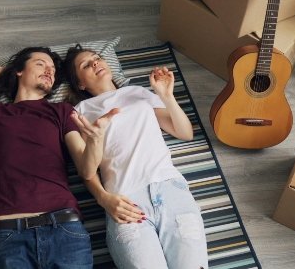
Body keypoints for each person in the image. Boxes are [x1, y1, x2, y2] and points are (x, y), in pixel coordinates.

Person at [0, 47, 116, 269]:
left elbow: (86, 169)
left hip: (64, 229)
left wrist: (96, 140)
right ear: (19, 70)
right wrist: (7, 73)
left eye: (52, 69)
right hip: (11, 235)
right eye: (41, 64)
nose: (49, 71)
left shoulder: (62, 111)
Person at [64, 45, 209, 269]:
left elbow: (184, 133)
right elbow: (87, 170)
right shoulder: (81, 112)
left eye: (97, 58)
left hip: (171, 190)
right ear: (80, 83)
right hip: (126, 199)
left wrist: (167, 97)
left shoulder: (139, 92)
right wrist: (103, 198)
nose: (95, 63)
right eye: (85, 64)